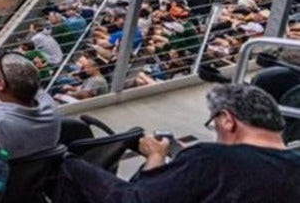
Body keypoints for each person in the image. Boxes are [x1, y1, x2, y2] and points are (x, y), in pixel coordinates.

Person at [57, 84, 300, 203]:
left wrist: (155, 157)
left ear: (227, 120)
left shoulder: (211, 159)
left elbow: (136, 201)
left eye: (212, 122)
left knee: (71, 165)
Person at [0, 52, 61, 160]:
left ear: (1, 84)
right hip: (42, 171)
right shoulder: (47, 102)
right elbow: (12, 103)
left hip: (7, 175)